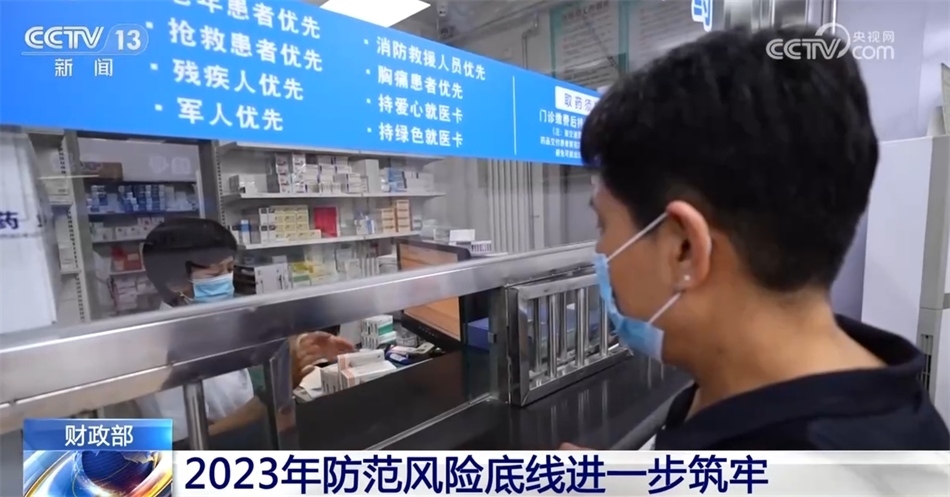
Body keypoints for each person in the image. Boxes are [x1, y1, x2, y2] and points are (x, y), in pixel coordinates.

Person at [566, 26, 949, 450]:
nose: (601, 251)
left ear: (684, 249)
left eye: (603, 224)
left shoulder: (819, 468)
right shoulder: (769, 390)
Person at [135, 218, 354, 443]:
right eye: (214, 275)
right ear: (175, 283)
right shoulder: (159, 353)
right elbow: (186, 445)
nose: (226, 281)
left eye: (230, 269)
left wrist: (300, 346)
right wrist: (272, 394)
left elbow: (256, 345)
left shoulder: (209, 318)